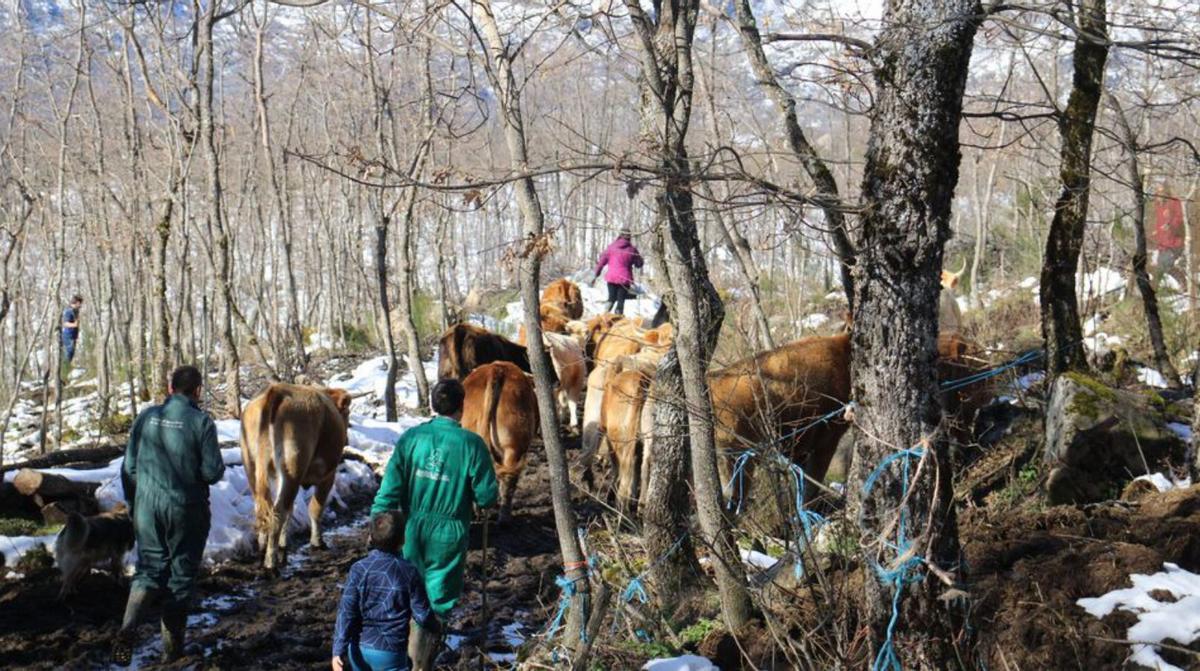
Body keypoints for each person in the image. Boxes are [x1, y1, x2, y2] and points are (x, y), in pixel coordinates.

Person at [370, 379, 498, 671]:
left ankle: (399, 659)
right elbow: (487, 495)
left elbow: (389, 488)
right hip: (450, 532)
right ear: (461, 406)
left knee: (408, 591)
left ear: (432, 404)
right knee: (436, 601)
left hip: (411, 528)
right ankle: (418, 664)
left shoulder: (411, 439)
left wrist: (377, 521)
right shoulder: (471, 444)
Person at [112, 365, 225, 665]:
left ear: (170, 387)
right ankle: (172, 651)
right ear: (198, 391)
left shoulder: (146, 417)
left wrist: (135, 503)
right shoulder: (202, 422)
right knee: (180, 577)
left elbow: (129, 468)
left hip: (147, 507)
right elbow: (212, 472)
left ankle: (127, 627)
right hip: (186, 509)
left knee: (148, 570)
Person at [332, 512, 436, 671]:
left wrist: (338, 651)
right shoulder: (409, 572)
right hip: (391, 652)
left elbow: (346, 611)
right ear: (402, 541)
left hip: (359, 649)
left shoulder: (358, 569)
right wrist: (436, 627)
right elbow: (422, 615)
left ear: (370, 537)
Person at [592, 229, 643, 315]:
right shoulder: (632, 249)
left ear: (619, 235)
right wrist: (639, 260)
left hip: (611, 278)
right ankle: (618, 319)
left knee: (611, 298)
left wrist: (596, 274)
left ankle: (604, 316)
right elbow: (639, 264)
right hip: (624, 279)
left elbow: (601, 262)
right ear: (629, 237)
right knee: (620, 300)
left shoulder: (611, 247)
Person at [1153, 184, 1186, 284]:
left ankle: (1184, 284)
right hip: (1162, 243)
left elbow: (1179, 217)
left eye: (1162, 190)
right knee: (1160, 267)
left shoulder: (1174, 201)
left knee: (1166, 266)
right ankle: (1156, 290)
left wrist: (1170, 225)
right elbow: (1157, 222)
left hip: (1174, 241)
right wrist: (1155, 232)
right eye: (1158, 191)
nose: (1160, 193)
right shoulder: (1157, 204)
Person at [61, 294, 83, 365]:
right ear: (77, 303)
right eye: (79, 304)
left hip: (73, 337)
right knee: (67, 355)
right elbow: (65, 323)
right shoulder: (69, 311)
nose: (80, 306)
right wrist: (74, 325)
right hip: (68, 336)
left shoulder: (75, 311)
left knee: (71, 354)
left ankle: (66, 367)